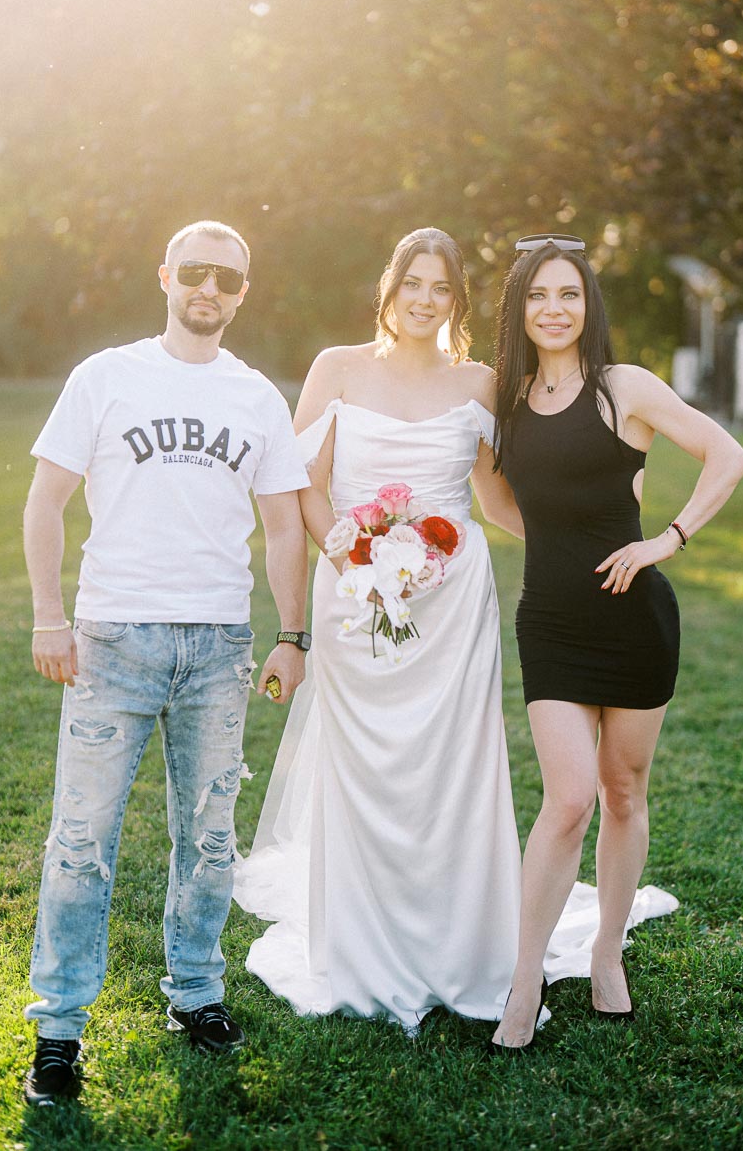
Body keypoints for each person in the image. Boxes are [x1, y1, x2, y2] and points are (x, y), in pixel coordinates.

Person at [21, 219, 310, 1105]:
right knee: (80, 843)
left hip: (218, 646)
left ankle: (196, 992)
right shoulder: (105, 376)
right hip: (112, 640)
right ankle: (59, 1031)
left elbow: (285, 526)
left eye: (226, 277)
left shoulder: (257, 396)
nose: (208, 289)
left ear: (243, 293)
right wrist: (48, 618)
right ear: (165, 278)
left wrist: (292, 634)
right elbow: (45, 501)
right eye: (194, 273)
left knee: (211, 841)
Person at [232, 227, 527, 1029]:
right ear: (389, 290)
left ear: (457, 301)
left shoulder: (480, 381)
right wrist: (350, 553)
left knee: (451, 766)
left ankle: (459, 939)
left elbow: (493, 495)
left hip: (453, 600)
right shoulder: (338, 367)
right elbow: (305, 483)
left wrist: (569, 538)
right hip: (354, 591)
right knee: (365, 764)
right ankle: (361, 943)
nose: (425, 300)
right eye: (413, 284)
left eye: (442, 288)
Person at [489, 233, 743, 1050]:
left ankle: (607, 949)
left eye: (569, 294)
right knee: (569, 798)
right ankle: (525, 978)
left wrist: (666, 539)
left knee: (623, 791)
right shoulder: (505, 400)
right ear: (519, 308)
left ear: (588, 304)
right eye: (539, 295)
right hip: (551, 621)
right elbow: (495, 503)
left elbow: (728, 455)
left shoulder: (623, 388)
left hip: (635, 620)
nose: (554, 309)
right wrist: (558, 540)